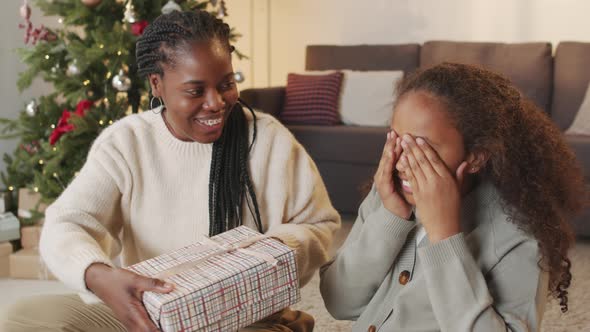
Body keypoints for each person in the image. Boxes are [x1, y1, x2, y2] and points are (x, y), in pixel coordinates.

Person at [0, 10, 340, 332]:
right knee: (23, 318)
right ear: (157, 85)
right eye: (195, 90)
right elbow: (66, 222)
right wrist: (100, 276)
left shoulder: (267, 140)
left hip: (246, 319)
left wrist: (260, 258)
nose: (216, 102)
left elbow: (319, 225)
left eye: (226, 83)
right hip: (150, 311)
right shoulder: (127, 142)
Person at [320, 63, 586, 331]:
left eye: (422, 146)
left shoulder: (518, 237)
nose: (401, 162)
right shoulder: (389, 192)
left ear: (475, 157)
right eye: (397, 139)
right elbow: (339, 302)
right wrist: (389, 218)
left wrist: (443, 237)